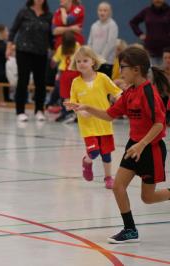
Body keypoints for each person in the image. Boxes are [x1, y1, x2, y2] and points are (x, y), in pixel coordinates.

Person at [65, 46, 170, 243]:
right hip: (134, 146)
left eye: (123, 67)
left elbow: (159, 124)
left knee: (147, 197)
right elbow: (109, 115)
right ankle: (130, 229)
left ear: (136, 69)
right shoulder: (130, 93)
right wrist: (85, 107)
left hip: (151, 148)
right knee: (118, 186)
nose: (120, 71)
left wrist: (142, 145)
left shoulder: (149, 93)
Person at [67, 46, 122, 188]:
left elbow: (117, 92)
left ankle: (108, 178)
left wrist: (121, 99)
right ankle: (87, 161)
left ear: (93, 62)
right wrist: (79, 111)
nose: (81, 63)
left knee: (106, 154)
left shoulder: (103, 78)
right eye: (78, 61)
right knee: (94, 151)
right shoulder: (76, 82)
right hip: (87, 125)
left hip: (104, 123)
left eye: (85, 60)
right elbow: (73, 103)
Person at [6, 0, 53, 122]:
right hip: (23, 50)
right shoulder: (24, 12)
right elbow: (13, 30)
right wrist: (9, 46)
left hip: (41, 52)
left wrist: (53, 52)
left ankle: (39, 110)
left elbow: (51, 35)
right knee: (23, 80)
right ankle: (20, 111)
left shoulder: (48, 15)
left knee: (40, 82)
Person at [51, 30, 80, 122]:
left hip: (64, 73)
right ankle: (74, 114)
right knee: (73, 95)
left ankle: (65, 113)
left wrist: (53, 61)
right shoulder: (77, 46)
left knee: (63, 94)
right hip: (74, 73)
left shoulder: (61, 48)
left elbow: (53, 62)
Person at [130, 0, 170, 66]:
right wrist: (140, 34)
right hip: (151, 51)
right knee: (152, 74)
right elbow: (133, 22)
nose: (158, 0)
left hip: (167, 52)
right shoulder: (146, 11)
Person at [87, 1, 118, 78]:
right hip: (94, 62)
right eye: (100, 10)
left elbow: (110, 43)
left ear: (110, 12)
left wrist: (101, 58)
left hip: (106, 62)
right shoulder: (94, 25)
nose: (102, 12)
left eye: (105, 10)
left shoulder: (112, 25)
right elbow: (90, 43)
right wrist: (91, 57)